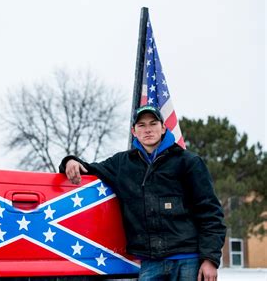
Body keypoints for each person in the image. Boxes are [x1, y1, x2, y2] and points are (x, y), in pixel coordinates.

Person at [60, 105, 226, 281]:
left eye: (153, 124)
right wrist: (70, 161)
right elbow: (87, 168)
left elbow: (210, 213)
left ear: (163, 128)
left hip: (188, 261)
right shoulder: (122, 164)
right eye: (142, 125)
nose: (148, 130)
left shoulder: (188, 162)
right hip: (150, 263)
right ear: (134, 131)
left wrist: (210, 259)